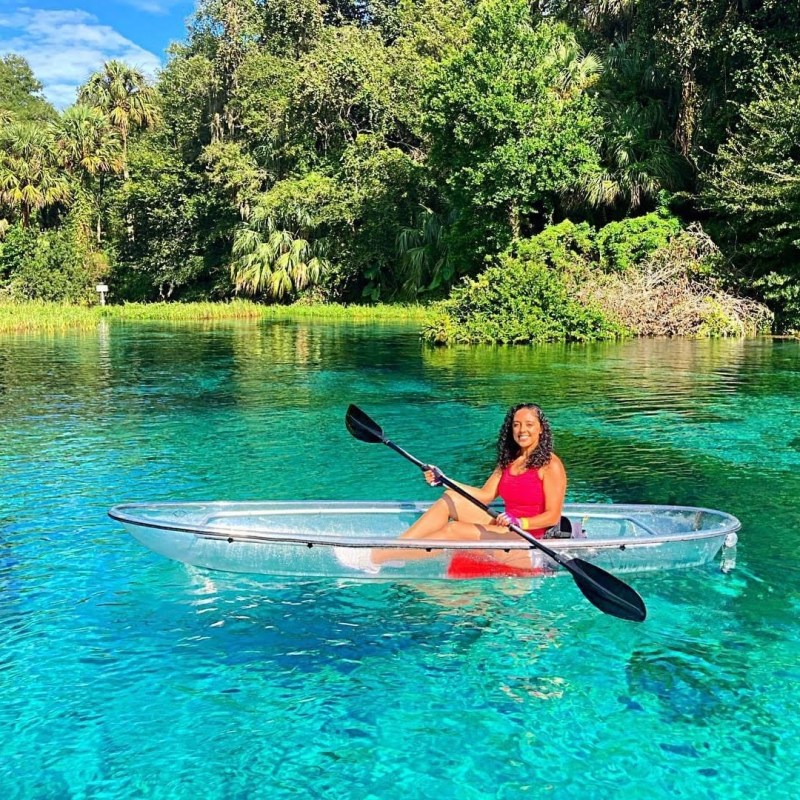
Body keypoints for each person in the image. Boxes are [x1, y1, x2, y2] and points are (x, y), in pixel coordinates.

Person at [335, 403, 567, 575]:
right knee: (450, 498)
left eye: (529, 425)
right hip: (505, 526)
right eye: (516, 425)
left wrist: (520, 523)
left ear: (541, 430)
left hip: (528, 538)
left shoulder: (551, 464)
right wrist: (443, 478)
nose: (522, 430)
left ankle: (375, 558)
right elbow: (485, 495)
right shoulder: (509, 460)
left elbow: (552, 516)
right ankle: (398, 551)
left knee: (454, 530)